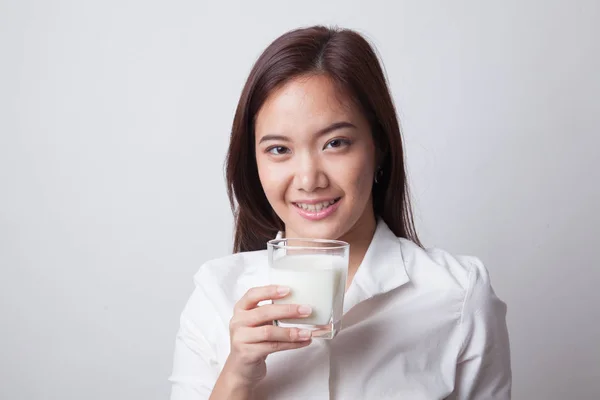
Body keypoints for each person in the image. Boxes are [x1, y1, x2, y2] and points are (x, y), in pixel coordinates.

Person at [169, 26, 511, 399]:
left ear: (378, 146)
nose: (308, 179)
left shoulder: (458, 295)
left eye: (335, 143)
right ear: (253, 162)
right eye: (279, 150)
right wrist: (236, 376)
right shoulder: (216, 295)